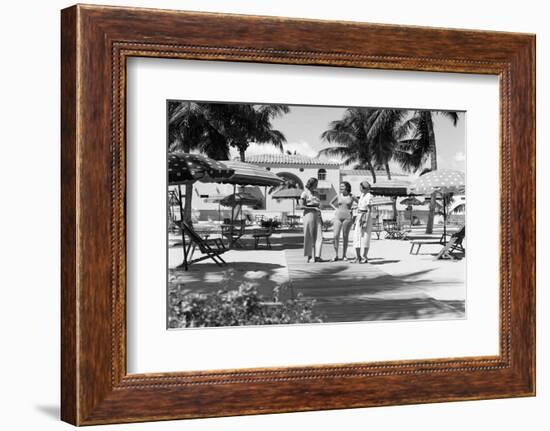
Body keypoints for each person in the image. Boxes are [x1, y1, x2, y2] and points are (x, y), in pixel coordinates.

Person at [329, 182, 356, 261]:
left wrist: (354, 209)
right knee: (335, 235)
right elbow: (330, 203)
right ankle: (336, 255)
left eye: (342, 186)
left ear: (347, 187)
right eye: (340, 186)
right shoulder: (338, 195)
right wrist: (336, 208)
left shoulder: (352, 196)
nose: (340, 188)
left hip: (347, 217)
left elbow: (360, 203)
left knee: (345, 237)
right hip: (338, 217)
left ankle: (344, 255)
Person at [299, 177, 323, 263]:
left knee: (319, 236)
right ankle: (309, 256)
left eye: (317, 184)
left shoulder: (317, 193)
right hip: (308, 215)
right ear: (311, 184)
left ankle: (317, 256)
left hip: (317, 215)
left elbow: (319, 205)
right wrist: (313, 208)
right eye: (315, 184)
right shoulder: (304, 193)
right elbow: (301, 206)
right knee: (309, 235)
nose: (316, 186)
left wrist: (319, 210)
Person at [351, 180, 374, 263]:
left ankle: (364, 256)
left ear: (363, 188)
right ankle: (358, 257)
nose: (359, 188)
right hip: (359, 215)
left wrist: (366, 221)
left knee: (366, 237)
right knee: (356, 236)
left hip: (365, 216)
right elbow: (360, 205)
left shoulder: (369, 196)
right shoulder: (362, 195)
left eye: (360, 187)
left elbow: (369, 209)